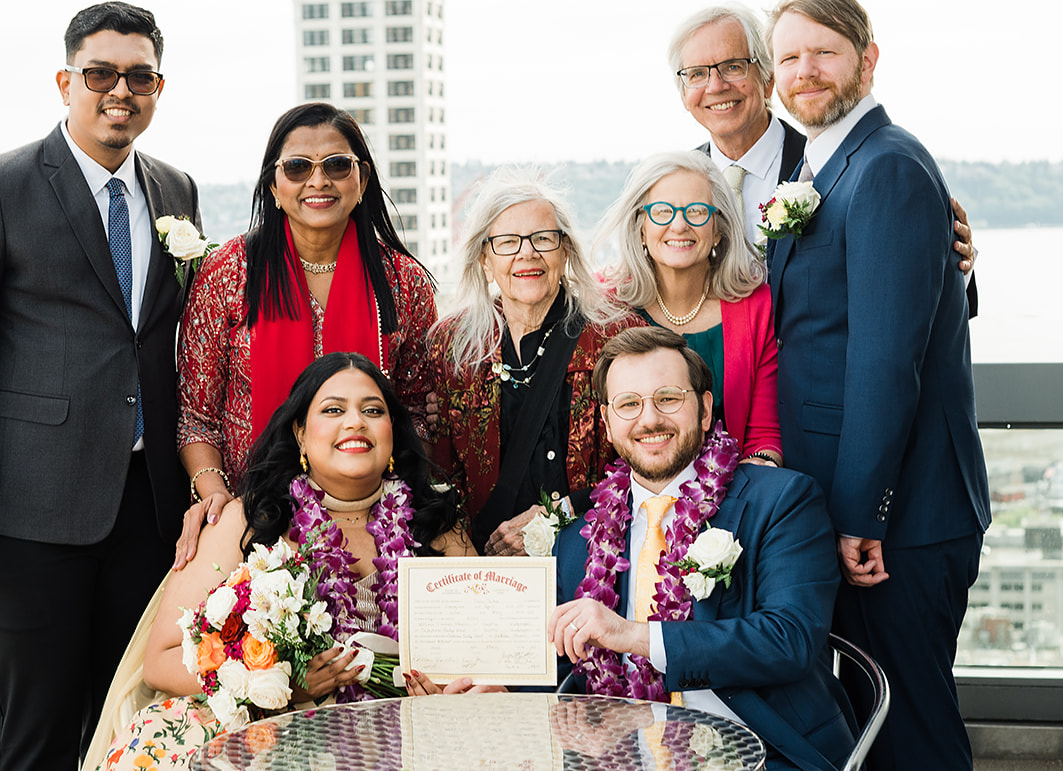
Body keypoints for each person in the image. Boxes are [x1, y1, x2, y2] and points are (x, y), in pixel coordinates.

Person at [0, 1, 201, 770]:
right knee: (38, 734)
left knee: (125, 728)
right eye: (100, 73)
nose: (120, 90)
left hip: (147, 510)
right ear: (65, 81)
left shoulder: (176, 189)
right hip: (30, 515)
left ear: (158, 86)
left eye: (139, 76)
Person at [765, 0, 990, 771]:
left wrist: (863, 511)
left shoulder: (886, 166)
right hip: (861, 505)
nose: (805, 70)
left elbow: (886, 362)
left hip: (902, 517)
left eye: (823, 51)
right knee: (873, 725)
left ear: (868, 59)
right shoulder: (827, 165)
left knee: (911, 729)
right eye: (789, 56)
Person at [98, 352, 484, 769]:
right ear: (300, 433)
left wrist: (450, 690)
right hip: (273, 738)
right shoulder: (248, 521)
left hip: (409, 738)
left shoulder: (436, 525)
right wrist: (277, 680)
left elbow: (487, 654)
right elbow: (160, 661)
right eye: (333, 410)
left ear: (393, 430)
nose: (355, 422)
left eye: (373, 410)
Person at [549, 326, 854, 771]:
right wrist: (500, 691)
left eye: (668, 398)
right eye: (629, 404)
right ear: (608, 424)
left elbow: (790, 640)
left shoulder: (781, 502)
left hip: (766, 754)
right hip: (625, 757)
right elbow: (562, 674)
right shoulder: (577, 544)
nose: (649, 420)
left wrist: (633, 635)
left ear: (705, 409)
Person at [173, 103, 438, 566]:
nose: (318, 181)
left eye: (337, 165)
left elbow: (417, 412)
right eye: (297, 167)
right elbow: (197, 417)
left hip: (374, 533)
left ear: (362, 179)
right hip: (251, 527)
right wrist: (217, 499)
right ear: (273, 186)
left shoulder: (403, 283)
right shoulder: (227, 274)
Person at [666, 2, 979, 313]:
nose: (716, 86)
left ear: (768, 78)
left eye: (733, 67)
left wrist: (951, 260)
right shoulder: (670, 187)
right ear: (682, 93)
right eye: (697, 74)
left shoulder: (838, 167)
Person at [427, 167, 643, 553]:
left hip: (592, 556)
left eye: (543, 238)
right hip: (487, 562)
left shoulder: (615, 335)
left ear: (565, 250)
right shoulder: (453, 346)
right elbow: (441, 470)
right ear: (485, 259)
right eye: (507, 242)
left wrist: (561, 514)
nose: (527, 253)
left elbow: (645, 458)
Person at [595, 151, 782, 467]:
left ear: (718, 229)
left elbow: (764, 434)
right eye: (662, 211)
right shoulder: (606, 306)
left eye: (696, 211)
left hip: (738, 485)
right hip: (632, 489)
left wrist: (761, 469)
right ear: (641, 228)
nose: (679, 225)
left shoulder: (757, 306)